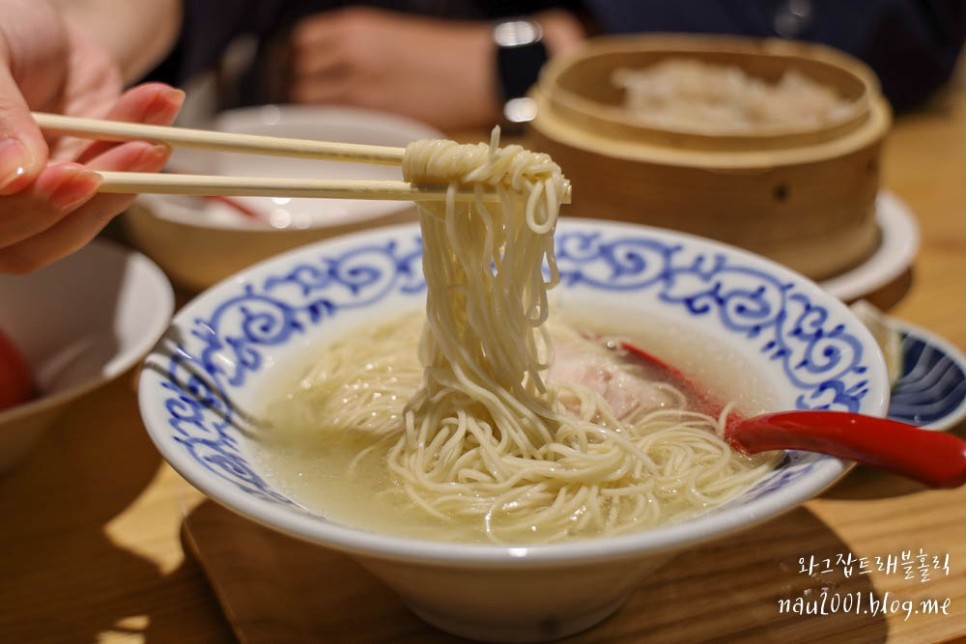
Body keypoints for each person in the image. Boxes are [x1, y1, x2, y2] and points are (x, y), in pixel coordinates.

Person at [2, 0, 963, 273]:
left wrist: (528, 55)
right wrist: (73, 30)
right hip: (334, 215)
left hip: (633, 179)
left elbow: (909, 17)